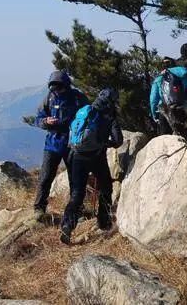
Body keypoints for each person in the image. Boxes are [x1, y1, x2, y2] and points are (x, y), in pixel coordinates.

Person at [60, 88, 123, 244]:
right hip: (97, 157)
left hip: (77, 156)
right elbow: (118, 140)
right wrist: (105, 142)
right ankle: (104, 222)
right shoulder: (109, 116)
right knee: (106, 188)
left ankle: (67, 226)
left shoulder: (85, 110)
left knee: (77, 194)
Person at [33, 70, 88, 220]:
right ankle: (39, 209)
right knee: (45, 177)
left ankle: (76, 210)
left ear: (66, 85)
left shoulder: (77, 98)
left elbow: (89, 114)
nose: (57, 90)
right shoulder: (49, 98)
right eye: (54, 87)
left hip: (72, 144)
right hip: (52, 144)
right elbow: (38, 118)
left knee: (75, 179)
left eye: (59, 87)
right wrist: (45, 121)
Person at [149, 56, 187, 136]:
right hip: (182, 109)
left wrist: (155, 115)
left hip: (165, 112)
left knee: (165, 139)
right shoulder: (182, 76)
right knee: (186, 136)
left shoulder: (158, 79)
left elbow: (153, 100)